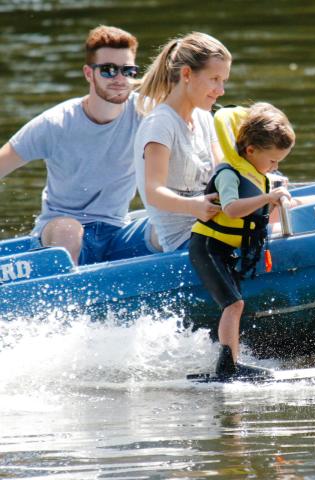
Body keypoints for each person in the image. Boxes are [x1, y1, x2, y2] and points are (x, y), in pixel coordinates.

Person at [0, 25, 153, 265]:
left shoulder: (148, 114)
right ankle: (70, 300)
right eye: (109, 70)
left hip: (119, 232)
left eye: (128, 70)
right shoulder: (55, 124)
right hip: (61, 234)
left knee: (169, 223)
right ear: (89, 74)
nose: (120, 79)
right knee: (69, 231)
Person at [189, 103, 294, 380]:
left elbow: (256, 218)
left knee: (237, 305)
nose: (275, 166)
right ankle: (227, 368)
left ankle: (231, 363)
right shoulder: (228, 174)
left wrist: (278, 199)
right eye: (272, 161)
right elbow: (232, 209)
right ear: (250, 151)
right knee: (233, 304)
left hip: (226, 250)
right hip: (208, 247)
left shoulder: (257, 176)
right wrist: (266, 198)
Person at [133, 32, 229, 253]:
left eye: (223, 81)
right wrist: (192, 206)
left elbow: (223, 171)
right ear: (187, 73)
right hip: (185, 241)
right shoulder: (160, 124)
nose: (221, 90)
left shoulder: (204, 117)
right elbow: (153, 192)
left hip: (215, 226)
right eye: (215, 79)